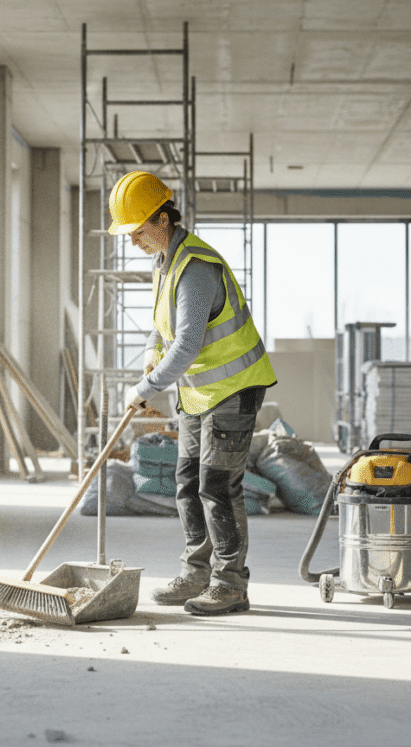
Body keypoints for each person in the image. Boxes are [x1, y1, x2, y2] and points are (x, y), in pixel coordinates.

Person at [108, 170, 277, 616]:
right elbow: (163, 329)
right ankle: (196, 572)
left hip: (233, 389)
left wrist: (144, 388)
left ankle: (229, 584)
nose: (132, 242)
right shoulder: (166, 262)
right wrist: (149, 355)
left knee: (218, 487)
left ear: (162, 219)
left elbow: (186, 345)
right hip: (199, 393)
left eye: (137, 231)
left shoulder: (196, 268)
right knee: (188, 483)